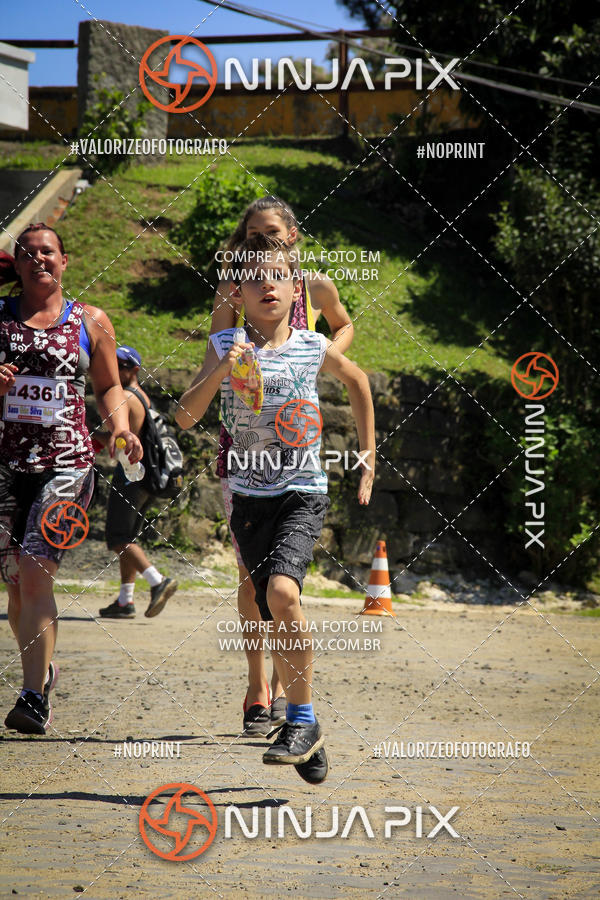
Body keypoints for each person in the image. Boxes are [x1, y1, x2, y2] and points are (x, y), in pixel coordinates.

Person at [176, 234, 375, 784]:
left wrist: (368, 455)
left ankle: (301, 719)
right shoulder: (225, 343)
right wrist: (221, 370)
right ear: (237, 292)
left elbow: (358, 381)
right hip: (247, 499)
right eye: (255, 277)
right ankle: (308, 738)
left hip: (301, 492)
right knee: (272, 611)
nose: (268, 284)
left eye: (278, 276)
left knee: (284, 595)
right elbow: (185, 417)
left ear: (295, 289)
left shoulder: (312, 345)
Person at [211, 195, 355, 736]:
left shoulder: (313, 284)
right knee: (250, 577)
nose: (259, 239)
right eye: (251, 233)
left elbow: (343, 326)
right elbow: (216, 349)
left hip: (296, 438)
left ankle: (287, 691)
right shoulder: (235, 286)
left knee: (282, 583)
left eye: (269, 231)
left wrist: (320, 356)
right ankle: (257, 686)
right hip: (243, 441)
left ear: (292, 234)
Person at [0, 223, 142, 735]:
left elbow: (108, 387)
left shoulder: (91, 320)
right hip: (5, 466)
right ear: (17, 264)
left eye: (48, 252)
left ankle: (33, 697)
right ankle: (43, 670)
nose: (39, 259)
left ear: (65, 261)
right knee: (16, 587)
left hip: (67, 463)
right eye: (28, 253)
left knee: (36, 572)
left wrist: (120, 428)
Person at [96, 345, 178, 619]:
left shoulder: (126, 398)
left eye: (119, 366)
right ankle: (125, 601)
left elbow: (120, 440)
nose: (114, 370)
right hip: (146, 477)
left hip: (130, 475)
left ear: (134, 370)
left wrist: (91, 435)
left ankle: (158, 581)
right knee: (128, 538)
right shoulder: (143, 396)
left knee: (118, 538)